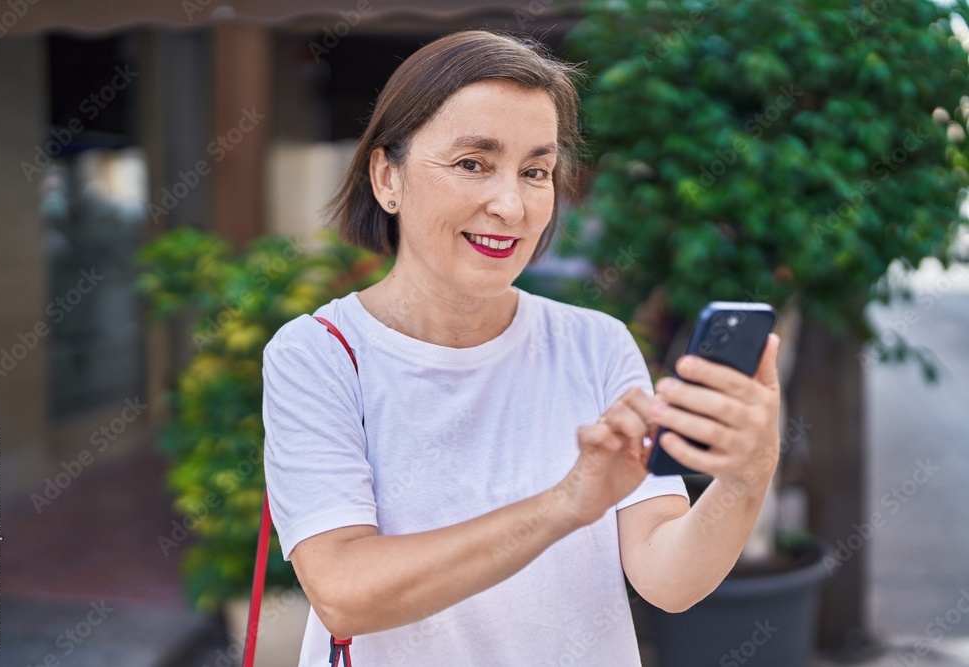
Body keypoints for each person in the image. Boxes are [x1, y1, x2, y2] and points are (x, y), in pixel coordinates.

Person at [262, 29, 782, 667]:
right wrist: (565, 505)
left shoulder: (595, 346)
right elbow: (344, 593)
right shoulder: (320, 355)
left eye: (535, 171)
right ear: (386, 176)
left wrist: (746, 475)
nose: (510, 205)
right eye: (473, 163)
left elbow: (668, 580)